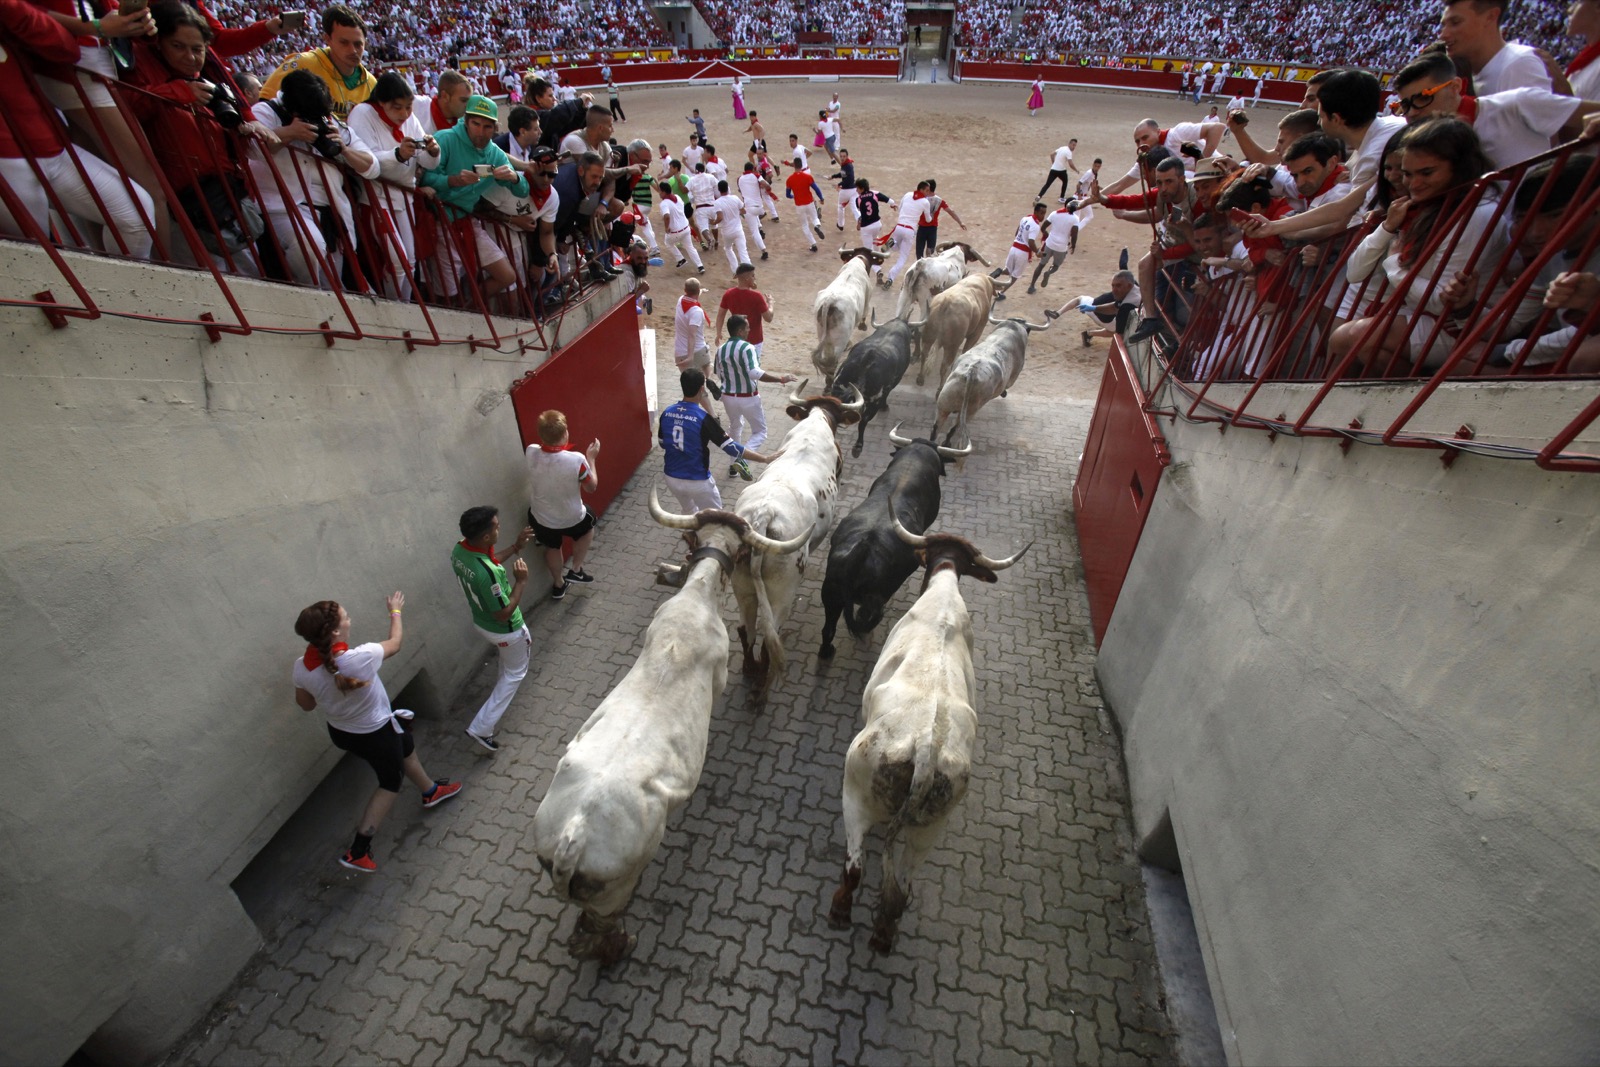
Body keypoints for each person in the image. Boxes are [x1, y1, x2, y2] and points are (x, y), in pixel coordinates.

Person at [293, 591, 462, 873]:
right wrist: (395, 611)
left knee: (405, 742)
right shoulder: (361, 657)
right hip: (375, 734)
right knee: (390, 781)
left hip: (343, 733)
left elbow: (306, 705)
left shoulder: (301, 667)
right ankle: (358, 851)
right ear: (335, 631)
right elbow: (395, 643)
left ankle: (431, 791)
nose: (350, 619)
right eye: (346, 617)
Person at [1331, 117, 1507, 375]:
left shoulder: (1477, 213)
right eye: (1408, 174)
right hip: (1430, 317)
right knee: (1356, 345)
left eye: (1426, 173)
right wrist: (1387, 228)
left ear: (1460, 168)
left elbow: (1442, 303)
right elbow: (1354, 273)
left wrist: (1394, 265)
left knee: (1350, 338)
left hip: (1465, 325)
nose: (1412, 184)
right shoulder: (1422, 208)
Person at [417, 94, 528, 300]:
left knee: (507, 276)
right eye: (475, 124)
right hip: (439, 223)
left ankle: (469, 304)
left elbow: (523, 190)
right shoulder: (446, 139)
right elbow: (423, 178)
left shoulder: (495, 153)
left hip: (466, 222)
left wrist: (513, 178)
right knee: (446, 292)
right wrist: (452, 180)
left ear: (495, 128)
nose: (480, 131)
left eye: (487, 127)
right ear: (466, 121)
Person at [347, 71, 440, 301]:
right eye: (397, 107)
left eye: (408, 107)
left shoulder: (409, 119)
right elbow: (366, 161)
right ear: (381, 102)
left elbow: (425, 160)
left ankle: (402, 306)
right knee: (398, 261)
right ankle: (398, 308)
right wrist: (397, 155)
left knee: (409, 261)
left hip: (404, 198)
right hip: (378, 198)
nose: (404, 113)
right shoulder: (363, 114)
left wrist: (433, 152)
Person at [450, 506, 533, 751]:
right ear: (486, 537)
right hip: (507, 629)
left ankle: (496, 698)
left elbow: (489, 561)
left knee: (508, 667)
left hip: (482, 624)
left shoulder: (459, 549)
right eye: (496, 527)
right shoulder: (489, 574)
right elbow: (503, 611)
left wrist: (516, 547)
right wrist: (521, 582)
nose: (499, 528)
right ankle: (481, 728)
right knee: (516, 673)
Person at [659, 369, 779, 512]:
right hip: (698, 480)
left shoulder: (667, 412)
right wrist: (764, 459)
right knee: (716, 518)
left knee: (689, 509)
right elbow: (731, 448)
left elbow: (662, 443)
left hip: (671, 478)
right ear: (702, 389)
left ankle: (690, 532)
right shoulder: (703, 418)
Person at [525, 409, 600, 600]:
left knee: (552, 547)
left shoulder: (531, 451)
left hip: (541, 518)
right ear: (566, 433)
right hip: (571, 517)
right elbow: (592, 487)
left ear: (541, 434)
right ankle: (576, 569)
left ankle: (558, 584)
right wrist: (591, 458)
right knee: (589, 525)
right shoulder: (576, 460)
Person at [713, 314, 797, 480]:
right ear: (740, 330)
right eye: (747, 328)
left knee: (735, 427)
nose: (749, 330)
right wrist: (780, 379)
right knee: (760, 431)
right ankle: (741, 460)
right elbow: (754, 373)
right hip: (748, 398)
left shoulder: (721, 349)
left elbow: (717, 372)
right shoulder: (747, 347)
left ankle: (733, 466)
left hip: (728, 397)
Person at [261, 5, 375, 120]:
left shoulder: (371, 84)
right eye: (344, 43)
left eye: (358, 44)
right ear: (327, 39)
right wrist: (288, 131)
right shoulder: (303, 64)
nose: (353, 50)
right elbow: (263, 106)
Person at [1439, 0, 1553, 96]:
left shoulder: (1518, 66)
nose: (1443, 35)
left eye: (1455, 23)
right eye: (1443, 25)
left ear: (1490, 17)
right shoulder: (1469, 74)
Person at [1045, 269, 1142, 349]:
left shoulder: (1127, 304)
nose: (1114, 290)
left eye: (1118, 286)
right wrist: (1093, 308)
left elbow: (1119, 337)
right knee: (1112, 330)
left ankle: (1058, 313)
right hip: (1118, 321)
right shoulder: (1135, 288)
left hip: (1112, 320)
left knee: (1079, 299)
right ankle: (1089, 334)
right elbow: (1114, 307)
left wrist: (1092, 308)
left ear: (1129, 285)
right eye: (1113, 286)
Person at [715, 261, 773, 354]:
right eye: (753, 276)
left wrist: (718, 333)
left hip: (736, 341)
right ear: (746, 278)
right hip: (755, 341)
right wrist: (770, 303)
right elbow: (768, 318)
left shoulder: (728, 294)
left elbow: (720, 315)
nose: (755, 278)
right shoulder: (756, 296)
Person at [885, 183, 934, 288]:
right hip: (910, 230)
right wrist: (931, 215)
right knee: (902, 258)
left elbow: (900, 208)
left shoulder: (907, 194)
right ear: (921, 189)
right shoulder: (925, 202)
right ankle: (890, 278)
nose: (928, 192)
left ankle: (892, 243)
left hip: (899, 226)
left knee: (895, 248)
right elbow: (928, 219)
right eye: (926, 190)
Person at [1029, 200, 1080, 293]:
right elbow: (1074, 234)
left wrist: (1047, 235)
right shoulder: (1075, 219)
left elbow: (1043, 227)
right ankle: (1049, 272)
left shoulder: (1055, 213)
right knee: (1056, 265)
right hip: (1061, 247)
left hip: (1050, 243)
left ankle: (1031, 286)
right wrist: (1073, 246)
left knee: (1041, 265)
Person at [913, 177, 966, 259]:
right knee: (930, 254)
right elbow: (950, 211)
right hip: (932, 230)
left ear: (928, 188)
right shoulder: (940, 201)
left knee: (919, 252)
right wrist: (960, 222)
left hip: (922, 229)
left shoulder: (921, 199)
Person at [658, 179, 703, 271]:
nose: (659, 193)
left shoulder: (664, 203)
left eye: (660, 191)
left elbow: (666, 216)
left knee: (668, 242)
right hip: (686, 228)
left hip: (675, 232)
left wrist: (666, 227)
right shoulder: (677, 197)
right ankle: (700, 266)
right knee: (690, 248)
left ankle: (680, 259)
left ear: (664, 192)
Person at [413, 68, 468, 136]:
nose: (467, 105)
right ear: (445, 96)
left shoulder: (466, 126)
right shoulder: (417, 104)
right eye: (463, 100)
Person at [710, 180, 749, 272]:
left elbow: (720, 217)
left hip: (727, 231)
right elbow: (744, 211)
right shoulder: (735, 198)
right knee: (743, 251)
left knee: (728, 248)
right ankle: (749, 271)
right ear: (728, 188)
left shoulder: (717, 202)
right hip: (738, 230)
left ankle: (735, 270)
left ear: (719, 190)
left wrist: (714, 223)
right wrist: (736, 212)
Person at [785, 162, 825, 252]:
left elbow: (787, 194)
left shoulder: (790, 179)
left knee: (804, 225)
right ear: (801, 165)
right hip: (809, 203)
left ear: (794, 166)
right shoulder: (807, 177)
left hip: (799, 205)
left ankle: (813, 244)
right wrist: (821, 198)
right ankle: (817, 226)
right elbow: (816, 189)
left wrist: (793, 196)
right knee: (814, 218)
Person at [675, 276, 711, 371]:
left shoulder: (680, 300)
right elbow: (692, 335)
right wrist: (690, 356)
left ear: (685, 290)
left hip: (680, 353)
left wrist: (701, 291)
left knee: (688, 383)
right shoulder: (696, 311)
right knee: (707, 370)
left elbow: (692, 294)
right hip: (697, 352)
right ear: (697, 290)